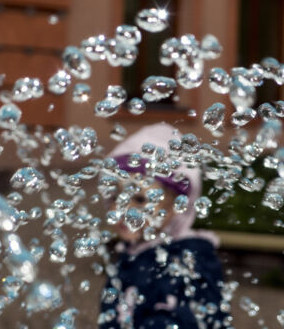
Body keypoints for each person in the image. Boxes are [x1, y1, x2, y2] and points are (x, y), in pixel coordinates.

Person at [98, 123, 230, 329]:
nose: (124, 210)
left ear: (176, 207)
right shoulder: (132, 256)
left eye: (140, 199)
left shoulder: (183, 263)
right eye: (116, 197)